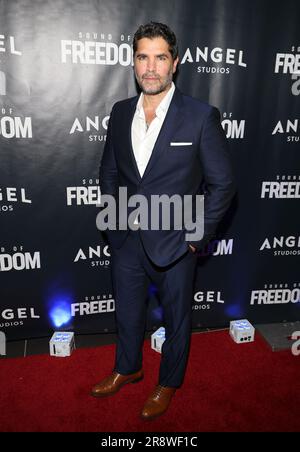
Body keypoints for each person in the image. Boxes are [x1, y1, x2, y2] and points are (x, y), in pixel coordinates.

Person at [91, 22, 235, 421]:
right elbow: (109, 173)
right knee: (128, 311)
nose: (150, 67)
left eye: (160, 57)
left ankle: (168, 381)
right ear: (133, 62)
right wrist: (114, 223)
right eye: (142, 57)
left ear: (175, 63)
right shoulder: (121, 113)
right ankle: (128, 367)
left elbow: (223, 185)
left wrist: (196, 237)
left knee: (177, 319)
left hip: (175, 243)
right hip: (126, 239)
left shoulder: (201, 116)